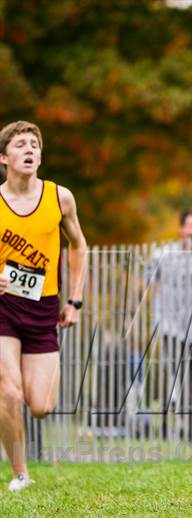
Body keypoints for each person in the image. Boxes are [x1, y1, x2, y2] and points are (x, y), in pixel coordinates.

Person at [0, 121, 87, 491]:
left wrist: (74, 300)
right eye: (20, 145)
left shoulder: (59, 197)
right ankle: (20, 473)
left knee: (40, 405)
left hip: (42, 308)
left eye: (34, 144)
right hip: (3, 306)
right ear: (4, 157)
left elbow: (79, 245)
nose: (29, 150)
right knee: (9, 392)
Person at [151, 209, 192, 446]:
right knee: (175, 377)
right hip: (169, 328)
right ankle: (191, 432)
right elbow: (149, 286)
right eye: (189, 226)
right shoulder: (162, 255)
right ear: (181, 229)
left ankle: (178, 427)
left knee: (190, 382)